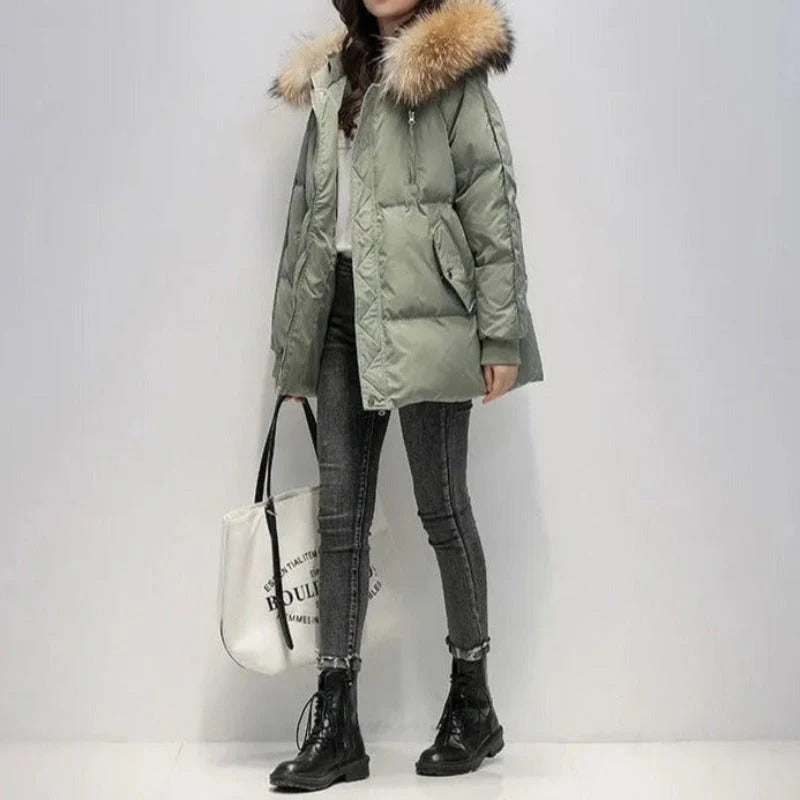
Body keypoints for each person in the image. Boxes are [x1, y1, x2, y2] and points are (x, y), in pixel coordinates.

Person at [266, 0, 543, 790]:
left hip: (429, 314)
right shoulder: (332, 75)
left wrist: (501, 336)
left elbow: (490, 201)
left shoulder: (452, 74)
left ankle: (473, 703)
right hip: (340, 315)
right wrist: (293, 347)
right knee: (340, 518)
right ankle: (337, 724)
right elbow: (306, 217)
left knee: (442, 508)